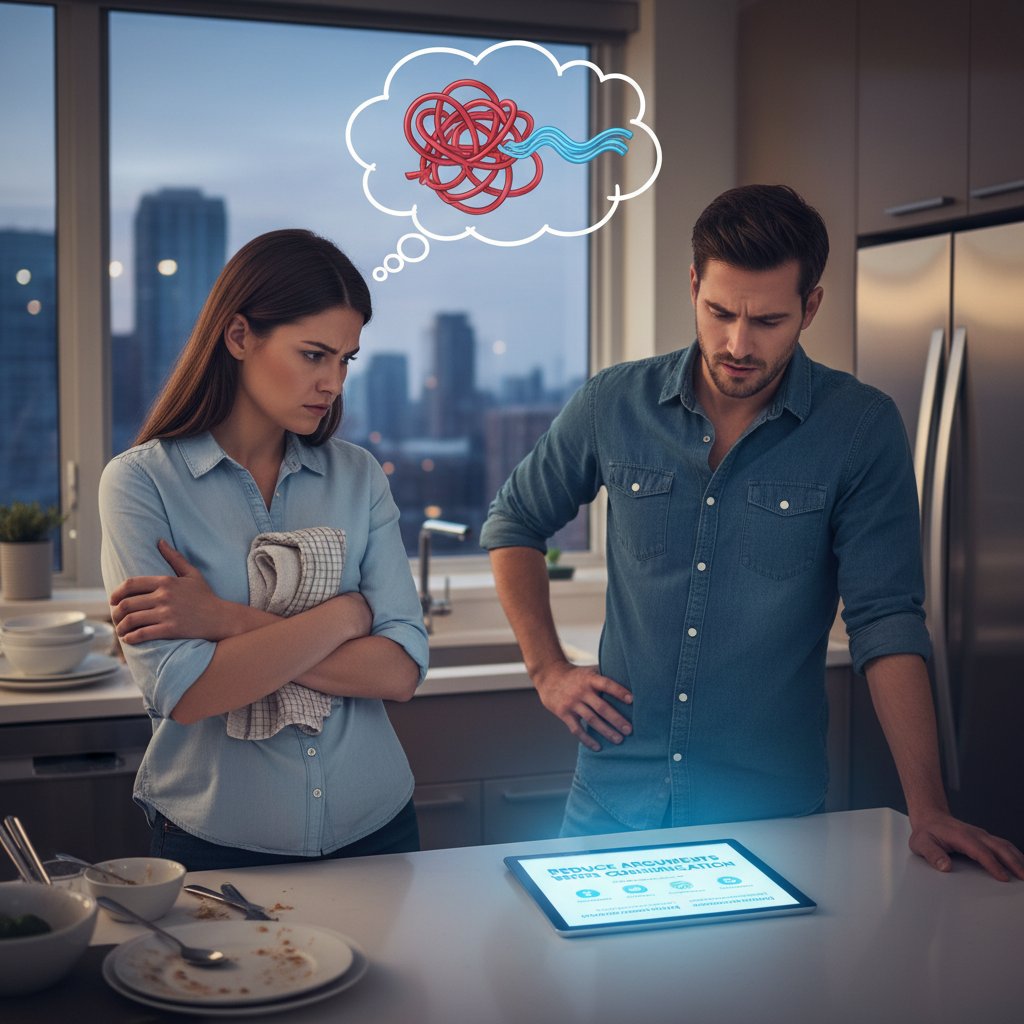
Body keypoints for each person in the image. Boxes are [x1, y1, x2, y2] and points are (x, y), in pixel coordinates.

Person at [481, 184, 1024, 882]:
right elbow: (513, 522)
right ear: (694, 285)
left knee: (769, 993)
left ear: (811, 308)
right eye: (719, 312)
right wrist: (547, 669)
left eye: (767, 320)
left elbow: (886, 618)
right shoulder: (613, 403)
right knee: (586, 992)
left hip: (771, 815)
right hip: (611, 803)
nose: (737, 344)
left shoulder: (859, 429)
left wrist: (928, 807)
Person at [99, 228, 428, 871]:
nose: (332, 382)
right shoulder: (140, 484)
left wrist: (227, 622)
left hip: (378, 825)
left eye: (346, 360)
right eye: (313, 355)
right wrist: (346, 615)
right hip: (214, 840)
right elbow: (186, 691)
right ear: (240, 336)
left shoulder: (357, 476)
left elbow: (399, 671)